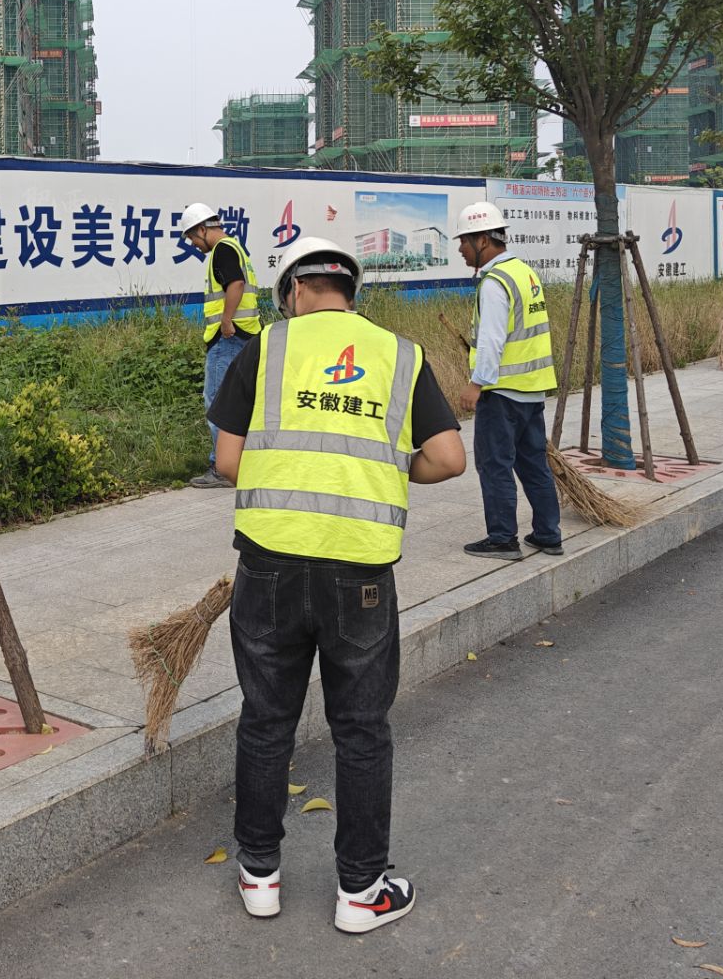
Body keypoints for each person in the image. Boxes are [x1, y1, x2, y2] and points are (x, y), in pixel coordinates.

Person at [209, 236, 467, 933]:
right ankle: (361, 891)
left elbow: (228, 461)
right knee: (360, 730)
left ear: (294, 290)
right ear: (350, 290)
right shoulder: (400, 354)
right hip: (361, 573)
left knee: (267, 721)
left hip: (268, 565)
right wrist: (388, 472)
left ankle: (259, 874)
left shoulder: (266, 349)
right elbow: (449, 458)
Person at [451, 201, 564, 561]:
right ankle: (548, 534)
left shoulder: (494, 282)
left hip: (502, 393)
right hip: (531, 390)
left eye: (464, 241)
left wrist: (477, 383)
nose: (461, 248)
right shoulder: (524, 273)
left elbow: (492, 339)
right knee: (533, 464)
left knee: (494, 464)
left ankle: (502, 538)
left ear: (483, 240)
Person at [180, 202, 261, 489]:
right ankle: (244, 462)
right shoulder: (236, 248)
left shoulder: (222, 250)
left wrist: (226, 321)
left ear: (203, 229)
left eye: (192, 237)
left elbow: (235, 284)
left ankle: (221, 468)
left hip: (228, 337)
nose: (193, 244)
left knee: (217, 401)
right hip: (247, 335)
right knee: (242, 400)